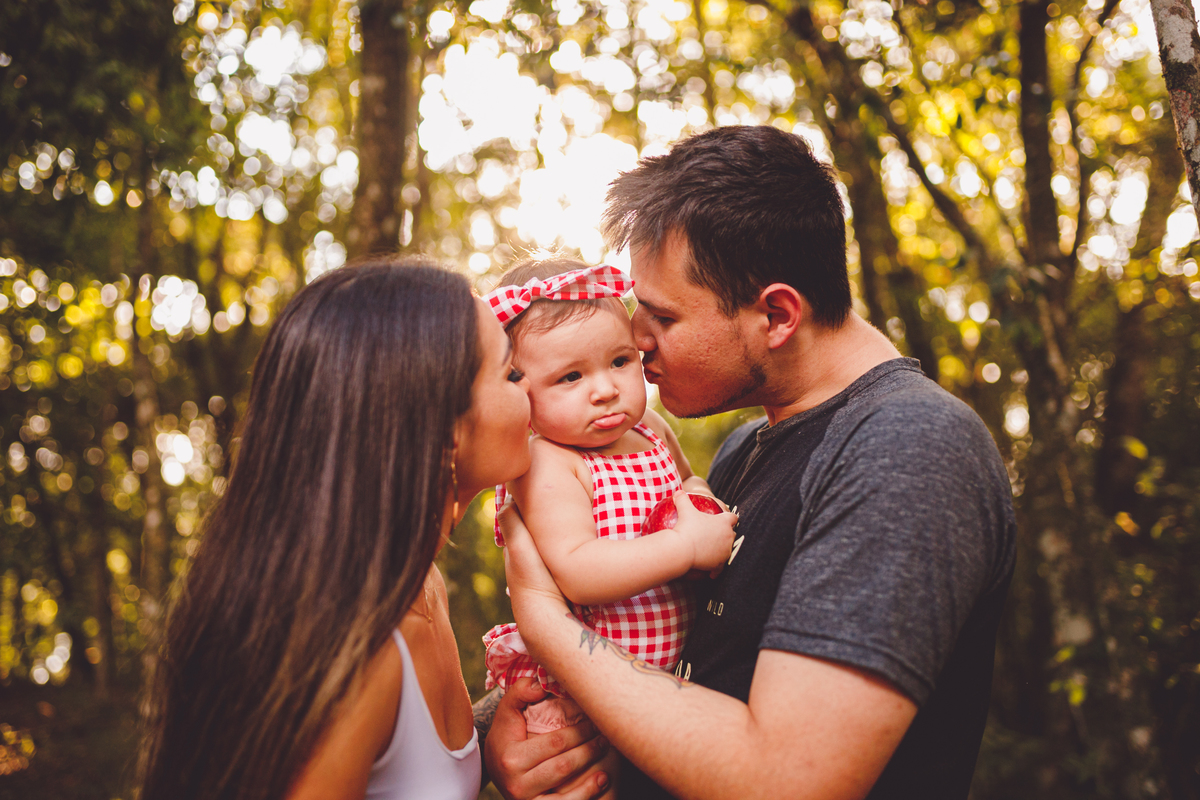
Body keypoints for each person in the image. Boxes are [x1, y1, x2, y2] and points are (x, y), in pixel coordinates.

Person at [489, 126, 1017, 799]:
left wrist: (545, 623)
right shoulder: (743, 450)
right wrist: (497, 734)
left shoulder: (909, 448)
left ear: (776, 315)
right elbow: (677, 667)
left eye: (661, 318)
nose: (636, 340)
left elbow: (787, 779)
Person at [137, 259, 609, 800]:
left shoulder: (419, 584)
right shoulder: (355, 655)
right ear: (443, 429)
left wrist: (488, 749)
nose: (534, 394)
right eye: (511, 374)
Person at [478, 257, 738, 797]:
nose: (605, 389)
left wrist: (699, 502)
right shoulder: (549, 463)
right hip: (586, 692)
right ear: (520, 393)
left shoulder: (651, 428)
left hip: (670, 680)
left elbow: (688, 481)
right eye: (571, 377)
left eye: (620, 361)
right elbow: (579, 572)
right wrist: (685, 545)